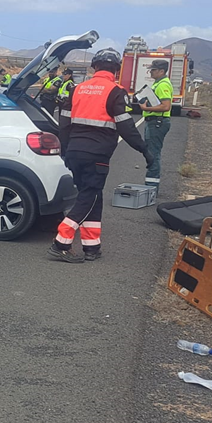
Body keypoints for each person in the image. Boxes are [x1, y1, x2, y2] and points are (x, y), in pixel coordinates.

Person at [48, 48, 153, 263]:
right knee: (88, 196)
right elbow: (126, 127)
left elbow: (64, 124)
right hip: (97, 154)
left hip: (75, 152)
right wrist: (145, 151)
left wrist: (66, 151)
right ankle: (60, 243)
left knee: (93, 196)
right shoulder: (116, 91)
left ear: (94, 67)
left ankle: (91, 247)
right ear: (116, 69)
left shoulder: (78, 89)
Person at [139, 60, 173, 186]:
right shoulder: (158, 83)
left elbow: (165, 106)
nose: (151, 71)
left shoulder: (163, 85)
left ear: (161, 71)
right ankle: (151, 185)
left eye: (153, 69)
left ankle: (151, 187)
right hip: (154, 122)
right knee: (152, 152)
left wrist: (145, 108)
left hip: (157, 122)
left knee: (153, 154)